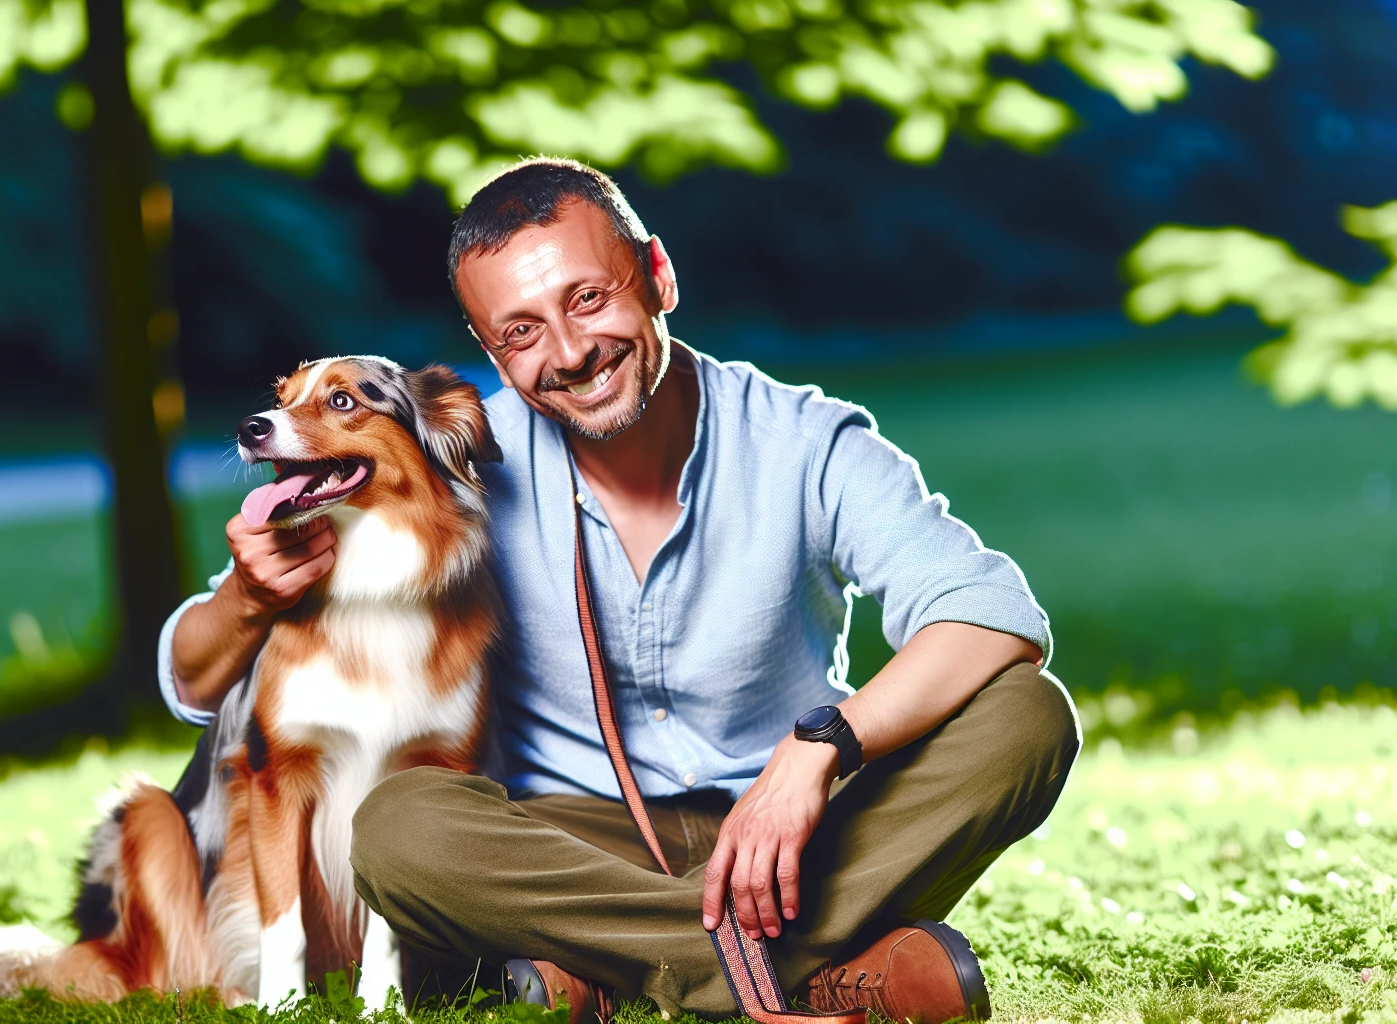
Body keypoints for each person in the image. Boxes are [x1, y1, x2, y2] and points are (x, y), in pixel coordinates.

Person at [159, 158, 1079, 1024]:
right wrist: (246, 599)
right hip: (562, 849)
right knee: (401, 825)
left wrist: (819, 750)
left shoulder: (806, 441)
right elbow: (197, 681)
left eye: (589, 298)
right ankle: (813, 972)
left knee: (1026, 716)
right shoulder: (455, 467)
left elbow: (992, 615)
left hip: (796, 832)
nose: (568, 351)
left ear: (658, 276)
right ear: (489, 348)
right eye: (520, 331)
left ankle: (598, 972)